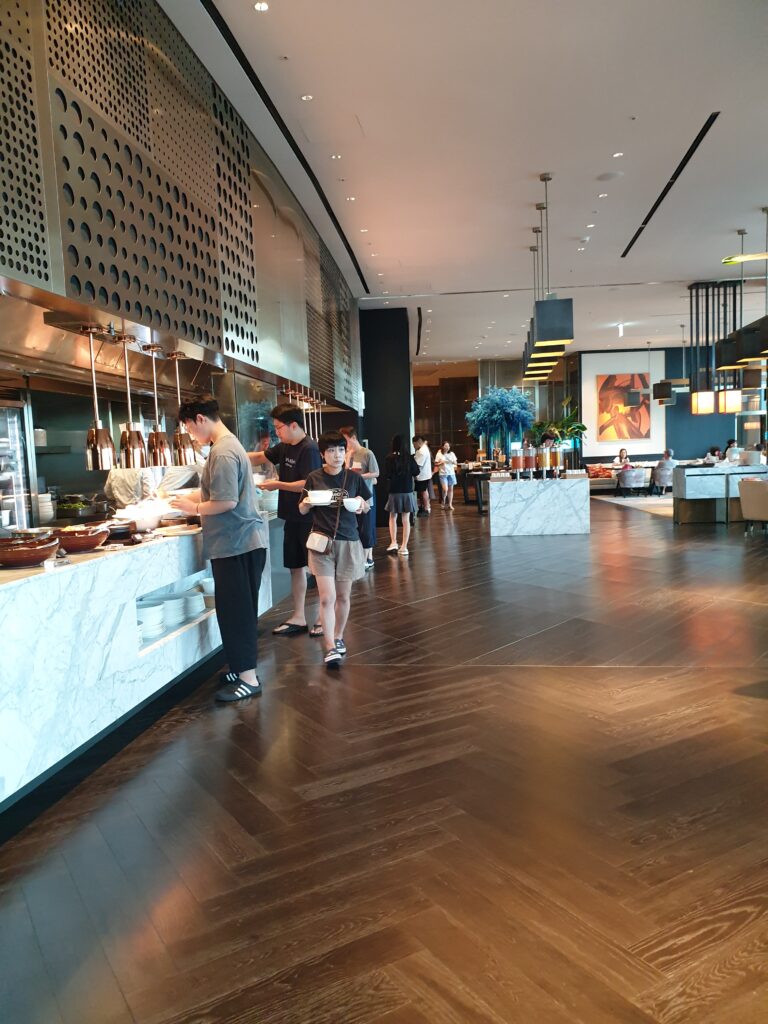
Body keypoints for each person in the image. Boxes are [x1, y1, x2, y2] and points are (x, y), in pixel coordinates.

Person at [170, 398, 268, 702]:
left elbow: (226, 502)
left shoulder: (223, 452)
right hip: (240, 542)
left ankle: (249, 679)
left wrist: (193, 506)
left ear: (199, 419)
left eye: (188, 427)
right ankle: (242, 668)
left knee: (235, 612)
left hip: (236, 544)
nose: (190, 433)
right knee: (238, 610)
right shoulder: (227, 445)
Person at [248, 404, 323, 638]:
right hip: (291, 516)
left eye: (279, 427)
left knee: (318, 570)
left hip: (309, 518)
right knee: (295, 568)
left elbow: (307, 483)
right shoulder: (285, 446)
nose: (276, 432)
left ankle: (322, 617)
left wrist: (278, 485)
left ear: (293, 425)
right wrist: (232, 455)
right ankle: (299, 617)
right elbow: (261, 456)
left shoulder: (309, 448)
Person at [299, 431, 371, 669]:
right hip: (321, 544)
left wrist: (361, 505)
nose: (337, 455)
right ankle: (329, 646)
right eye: (331, 450)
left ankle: (339, 636)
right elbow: (301, 509)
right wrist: (306, 504)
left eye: (341, 450)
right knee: (327, 597)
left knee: (343, 596)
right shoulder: (313, 478)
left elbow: (367, 504)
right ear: (322, 454)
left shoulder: (354, 479)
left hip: (348, 542)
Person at [340, 425, 379, 570]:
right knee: (356, 528)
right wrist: (347, 458)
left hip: (366, 496)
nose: (345, 444)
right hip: (351, 497)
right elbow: (345, 474)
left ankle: (367, 558)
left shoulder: (367, 453)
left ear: (353, 438)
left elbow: (376, 473)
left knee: (366, 528)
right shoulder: (346, 454)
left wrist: (359, 477)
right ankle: (364, 558)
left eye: (346, 440)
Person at [385, 435, 419, 556]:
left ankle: (393, 542)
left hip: (394, 491)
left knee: (392, 517)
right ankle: (404, 547)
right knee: (406, 520)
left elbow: (388, 475)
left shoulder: (389, 458)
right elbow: (416, 472)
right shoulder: (410, 458)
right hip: (407, 491)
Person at [412, 435, 433, 516]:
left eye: (414, 444)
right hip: (424, 475)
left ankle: (426, 508)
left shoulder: (422, 451)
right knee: (423, 492)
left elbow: (417, 464)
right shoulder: (423, 449)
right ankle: (424, 507)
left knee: (423, 492)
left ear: (418, 442)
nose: (413, 446)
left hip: (422, 476)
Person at [435, 441, 458, 510]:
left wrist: (452, 461)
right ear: (442, 446)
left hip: (451, 473)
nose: (447, 447)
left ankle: (450, 504)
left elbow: (456, 462)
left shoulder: (452, 454)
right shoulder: (439, 454)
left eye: (448, 446)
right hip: (443, 474)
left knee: (451, 489)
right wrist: (441, 463)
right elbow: (436, 464)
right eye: (445, 446)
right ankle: (443, 501)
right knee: (445, 490)